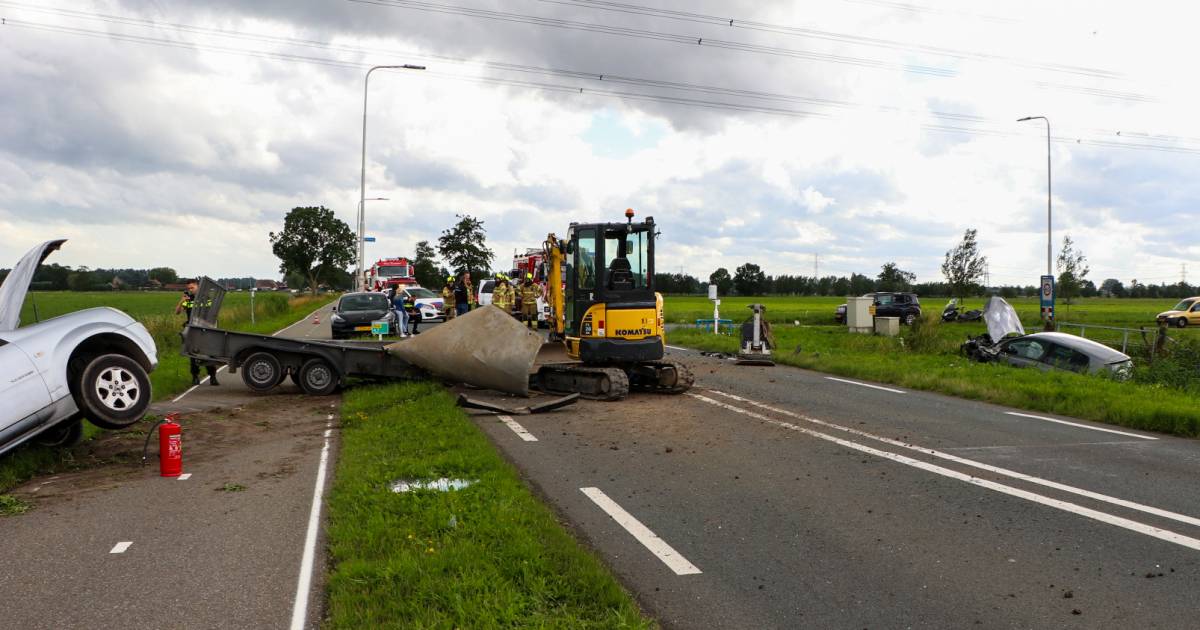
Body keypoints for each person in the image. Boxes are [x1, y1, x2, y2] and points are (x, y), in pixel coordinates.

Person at [175, 279, 219, 386]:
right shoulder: (188, 300)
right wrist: (182, 301)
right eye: (189, 288)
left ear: (197, 287)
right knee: (193, 354)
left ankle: (212, 376)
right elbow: (177, 312)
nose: (190, 290)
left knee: (208, 353)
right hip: (192, 330)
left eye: (192, 288)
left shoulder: (206, 299)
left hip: (205, 330)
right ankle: (195, 377)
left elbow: (212, 313)